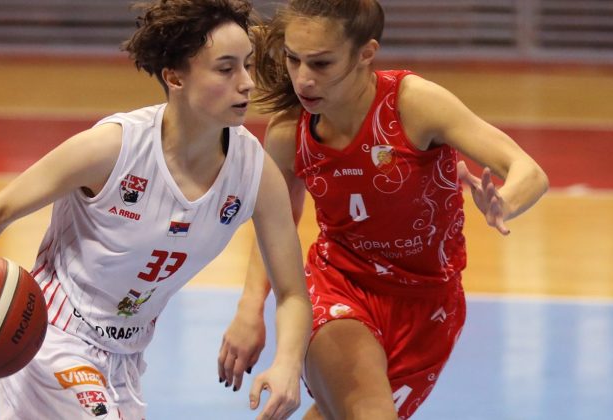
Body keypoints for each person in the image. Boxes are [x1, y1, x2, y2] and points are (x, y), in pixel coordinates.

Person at [0, 1, 312, 419]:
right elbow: (0, 210)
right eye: (226, 69)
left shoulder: (254, 173)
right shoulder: (113, 149)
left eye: (247, 65)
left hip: (126, 358)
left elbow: (292, 293)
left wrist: (286, 363)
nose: (246, 83)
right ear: (175, 77)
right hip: (51, 335)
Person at [218, 0, 549, 419]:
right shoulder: (290, 133)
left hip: (430, 307)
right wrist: (250, 310)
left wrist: (505, 202)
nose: (303, 79)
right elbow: (274, 226)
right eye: (293, 59)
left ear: (365, 53)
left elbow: (528, 171)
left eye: (321, 63)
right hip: (340, 287)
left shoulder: (414, 104)